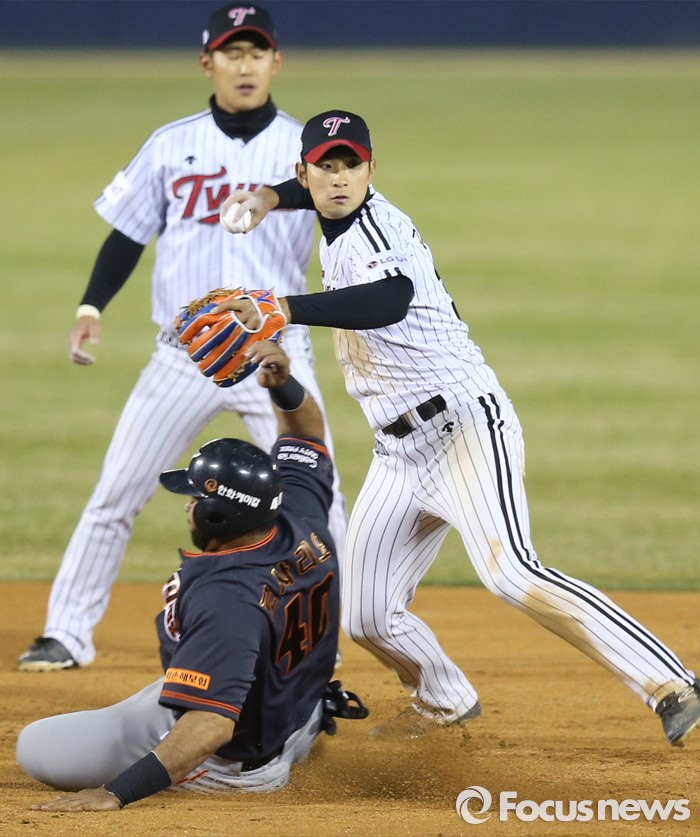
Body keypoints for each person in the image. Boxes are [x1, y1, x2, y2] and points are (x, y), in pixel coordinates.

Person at [212, 109, 700, 746]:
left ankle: (671, 682)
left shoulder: (380, 229)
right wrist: (268, 197)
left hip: (464, 426)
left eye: (351, 165)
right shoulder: (327, 205)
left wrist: (282, 307)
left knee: (511, 573)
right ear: (305, 172)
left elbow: (388, 299)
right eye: (325, 167)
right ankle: (445, 703)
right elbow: (310, 193)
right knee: (366, 616)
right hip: (397, 454)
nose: (339, 178)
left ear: (371, 169)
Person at [18, 4, 347, 672]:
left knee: (322, 501)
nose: (245, 66)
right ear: (207, 63)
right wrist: (91, 305)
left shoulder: (306, 152)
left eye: (257, 52)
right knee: (117, 492)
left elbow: (346, 224)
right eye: (232, 53)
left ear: (276, 61)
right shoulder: (170, 144)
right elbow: (127, 233)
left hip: (275, 359)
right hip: (182, 358)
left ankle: (327, 642)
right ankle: (67, 632)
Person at [17, 341, 367, 810]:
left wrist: (114, 792)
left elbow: (211, 725)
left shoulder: (226, 595)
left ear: (219, 516)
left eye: (196, 497)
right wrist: (284, 386)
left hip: (233, 756)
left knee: (35, 747)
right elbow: (306, 433)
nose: (188, 506)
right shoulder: (298, 511)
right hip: (295, 711)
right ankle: (303, 726)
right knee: (193, 679)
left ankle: (229, 776)